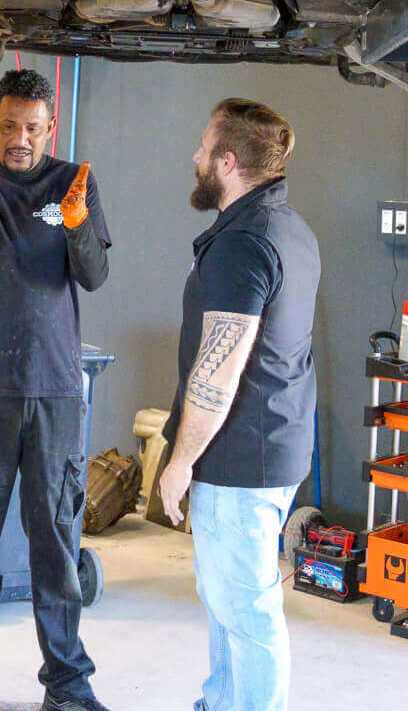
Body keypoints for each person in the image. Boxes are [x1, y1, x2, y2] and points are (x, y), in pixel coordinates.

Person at [0, 68, 113, 711]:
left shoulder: (73, 183)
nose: (20, 140)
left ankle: (67, 688)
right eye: (9, 126)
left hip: (54, 389)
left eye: (33, 128)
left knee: (57, 545)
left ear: (50, 127)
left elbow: (94, 275)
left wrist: (78, 224)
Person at [159, 98, 321, 711]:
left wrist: (179, 462)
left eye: (204, 149)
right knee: (229, 599)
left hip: (239, 460)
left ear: (227, 163)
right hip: (276, 446)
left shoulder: (242, 244)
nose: (195, 157)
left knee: (247, 612)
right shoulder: (290, 229)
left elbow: (217, 373)